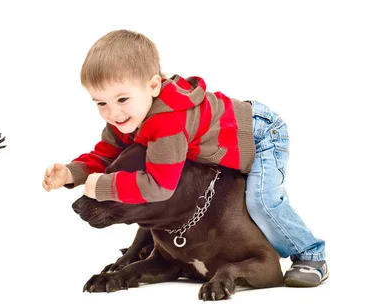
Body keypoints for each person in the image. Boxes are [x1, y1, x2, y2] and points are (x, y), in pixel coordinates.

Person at [42, 29, 327, 287]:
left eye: (122, 99)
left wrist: (102, 186)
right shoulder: (127, 118)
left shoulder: (167, 123)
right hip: (221, 145)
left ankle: (312, 254)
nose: (112, 113)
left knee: (262, 200)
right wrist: (71, 173)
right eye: (101, 103)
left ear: (154, 86)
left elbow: (158, 186)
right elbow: (105, 153)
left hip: (260, 134)